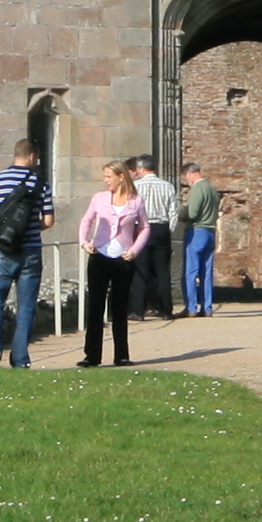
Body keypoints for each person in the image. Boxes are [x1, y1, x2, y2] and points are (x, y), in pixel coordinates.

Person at [0, 142, 48, 366]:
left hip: (2, 250)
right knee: (25, 307)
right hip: (31, 251)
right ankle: (20, 359)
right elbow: (49, 220)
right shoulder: (40, 182)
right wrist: (30, 228)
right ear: (32, 156)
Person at [78, 159, 150, 366]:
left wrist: (135, 250)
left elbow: (145, 227)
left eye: (109, 176)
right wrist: (84, 242)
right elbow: (87, 220)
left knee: (119, 307)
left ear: (121, 177)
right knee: (95, 306)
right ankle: (91, 355)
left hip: (123, 258)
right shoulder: (100, 198)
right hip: (100, 255)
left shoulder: (135, 201)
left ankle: (122, 355)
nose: (105, 180)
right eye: (105, 176)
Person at [128, 157, 182, 315]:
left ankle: (138, 310)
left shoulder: (135, 186)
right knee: (162, 271)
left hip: (142, 227)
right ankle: (165, 309)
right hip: (161, 227)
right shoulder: (168, 186)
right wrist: (168, 229)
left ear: (141, 169)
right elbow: (174, 211)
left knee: (140, 270)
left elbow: (132, 210)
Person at [177, 158, 220, 316]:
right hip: (210, 230)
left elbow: (193, 213)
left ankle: (191, 307)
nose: (186, 181)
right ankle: (207, 307)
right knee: (206, 272)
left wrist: (183, 211)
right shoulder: (212, 188)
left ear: (189, 174)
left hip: (196, 231)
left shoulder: (197, 188)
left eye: (185, 177)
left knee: (191, 271)